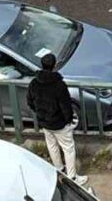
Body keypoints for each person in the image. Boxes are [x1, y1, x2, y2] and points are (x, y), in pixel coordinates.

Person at [28, 53, 86, 184]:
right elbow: (66, 105)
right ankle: (72, 177)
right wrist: (68, 119)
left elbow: (30, 101)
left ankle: (59, 169)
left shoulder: (34, 83)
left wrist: (40, 113)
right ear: (54, 66)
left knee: (52, 145)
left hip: (44, 121)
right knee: (68, 147)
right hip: (59, 123)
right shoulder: (59, 85)